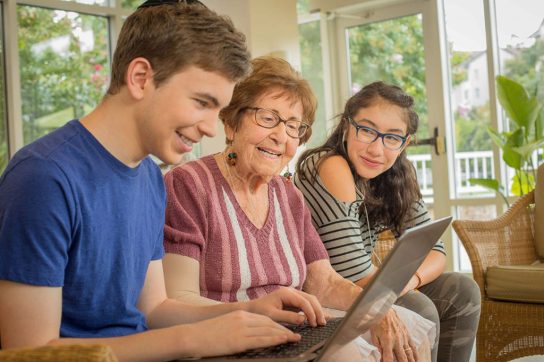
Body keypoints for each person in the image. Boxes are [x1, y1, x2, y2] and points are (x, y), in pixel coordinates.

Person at [0, 1, 328, 360]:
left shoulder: (148, 179)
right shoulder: (44, 177)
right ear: (141, 77)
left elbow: (154, 309)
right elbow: (28, 352)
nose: (208, 126)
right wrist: (194, 340)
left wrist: (249, 311)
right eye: (201, 102)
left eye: (217, 110)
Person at [163, 57, 437, 362]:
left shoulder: (287, 194)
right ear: (231, 122)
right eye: (267, 118)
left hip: (290, 330)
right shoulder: (189, 184)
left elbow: (324, 281)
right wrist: (249, 310)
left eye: (293, 126)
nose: (281, 136)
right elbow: (177, 300)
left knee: (400, 333)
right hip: (224, 336)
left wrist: (376, 310)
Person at [294, 81, 481, 362]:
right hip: (327, 292)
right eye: (367, 130)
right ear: (347, 125)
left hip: (363, 284)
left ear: (405, 142)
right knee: (420, 307)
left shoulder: (397, 174)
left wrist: (409, 280)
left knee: (462, 290)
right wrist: (403, 287)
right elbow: (353, 272)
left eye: (392, 137)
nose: (377, 149)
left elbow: (437, 253)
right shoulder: (330, 164)